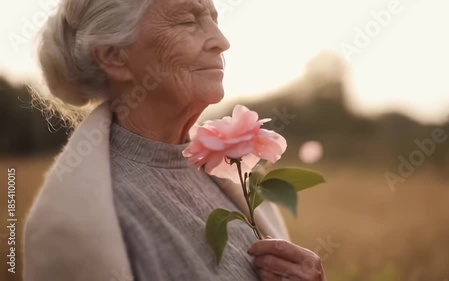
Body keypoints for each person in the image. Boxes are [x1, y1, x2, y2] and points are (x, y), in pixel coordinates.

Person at [23, 0, 328, 280]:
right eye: (187, 21)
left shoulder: (227, 172)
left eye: (213, 18)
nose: (222, 41)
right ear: (115, 56)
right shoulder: (80, 225)